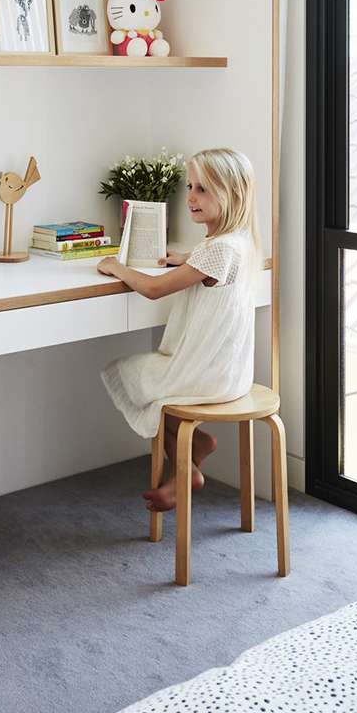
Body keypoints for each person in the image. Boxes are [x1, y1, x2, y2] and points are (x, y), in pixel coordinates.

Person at [96, 147, 261, 512]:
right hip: (233, 373)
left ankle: (185, 470)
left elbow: (154, 290)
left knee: (130, 375)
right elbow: (213, 263)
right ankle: (194, 448)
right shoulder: (237, 244)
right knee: (156, 395)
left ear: (231, 195)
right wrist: (188, 259)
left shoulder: (215, 251)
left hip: (207, 375)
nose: (190, 197)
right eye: (190, 186)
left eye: (203, 189)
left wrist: (116, 267)